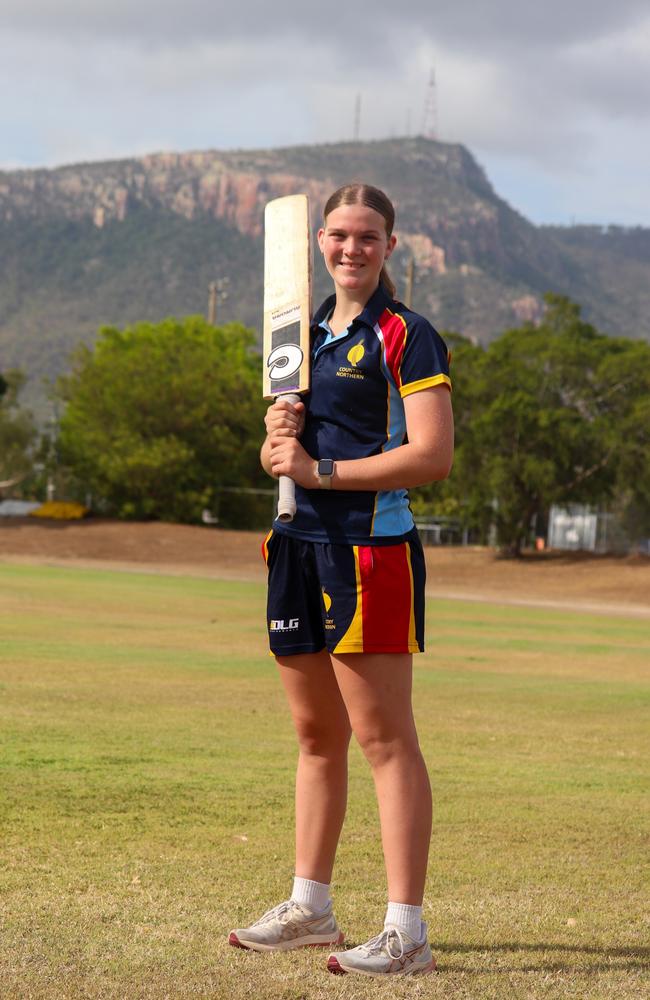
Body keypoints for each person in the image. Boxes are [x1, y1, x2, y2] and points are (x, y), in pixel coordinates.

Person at [228, 183, 453, 978]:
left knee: (386, 741)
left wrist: (319, 469)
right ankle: (310, 906)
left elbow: (431, 456)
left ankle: (407, 932)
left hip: (369, 550)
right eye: (338, 235)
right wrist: (277, 447)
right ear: (318, 242)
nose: (351, 248)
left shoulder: (407, 335)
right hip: (295, 545)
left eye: (368, 236)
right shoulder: (300, 338)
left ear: (390, 246)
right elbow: (287, 456)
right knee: (317, 737)